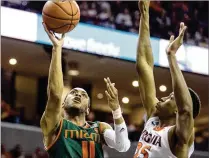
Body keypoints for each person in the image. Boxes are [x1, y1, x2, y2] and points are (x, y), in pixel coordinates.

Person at [40, 23, 130, 158]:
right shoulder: (55, 124)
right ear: (63, 104)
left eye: (83, 95)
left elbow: (122, 146)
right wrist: (57, 49)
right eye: (73, 93)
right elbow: (55, 95)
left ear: (88, 109)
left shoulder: (99, 128)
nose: (78, 95)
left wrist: (116, 110)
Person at [134, 0, 201, 158]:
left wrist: (171, 57)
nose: (162, 98)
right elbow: (144, 66)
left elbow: (186, 110)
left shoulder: (180, 138)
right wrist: (145, 15)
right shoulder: (154, 118)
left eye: (171, 97)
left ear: (177, 108)